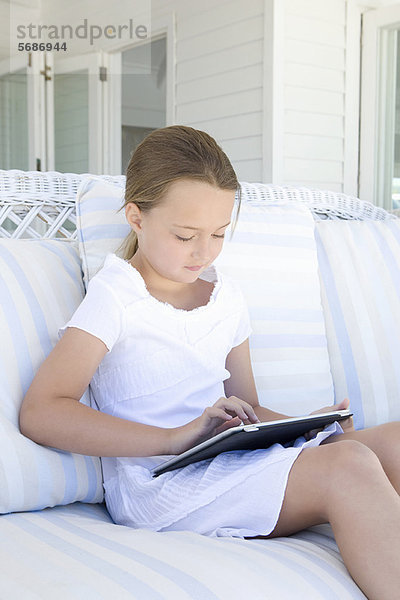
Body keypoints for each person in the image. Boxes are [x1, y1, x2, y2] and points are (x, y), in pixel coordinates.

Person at [20, 125, 400, 600]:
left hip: (226, 458)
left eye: (219, 233)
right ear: (136, 217)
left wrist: (309, 426)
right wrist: (173, 439)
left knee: (388, 441)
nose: (204, 251)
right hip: (163, 485)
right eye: (185, 235)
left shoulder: (226, 296)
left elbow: (248, 410)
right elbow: (42, 411)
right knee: (348, 465)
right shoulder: (116, 297)